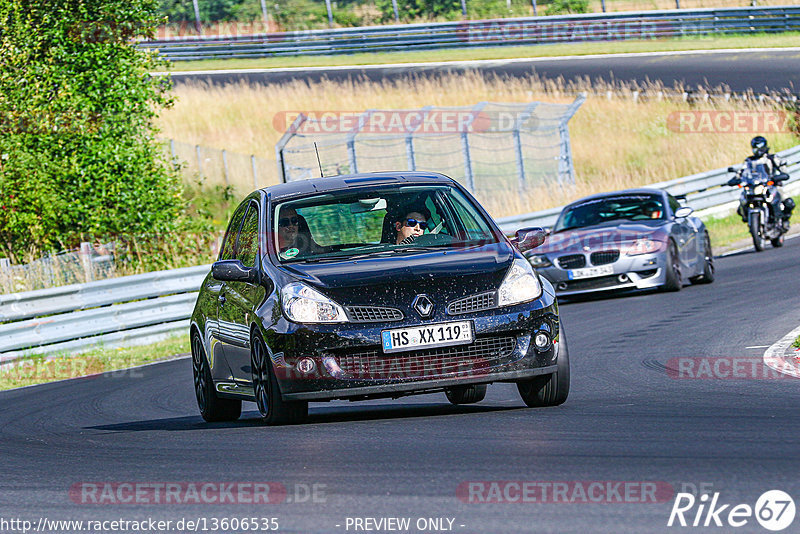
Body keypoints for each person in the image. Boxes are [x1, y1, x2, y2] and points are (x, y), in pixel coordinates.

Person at [728, 136, 794, 227]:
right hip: (754, 187)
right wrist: (735, 180)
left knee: (789, 203)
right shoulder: (749, 161)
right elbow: (741, 172)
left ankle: (784, 220)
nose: (758, 150)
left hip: (771, 186)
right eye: (755, 148)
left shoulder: (771, 158)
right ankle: (749, 218)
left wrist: (779, 176)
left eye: (760, 147)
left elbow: (784, 170)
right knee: (741, 206)